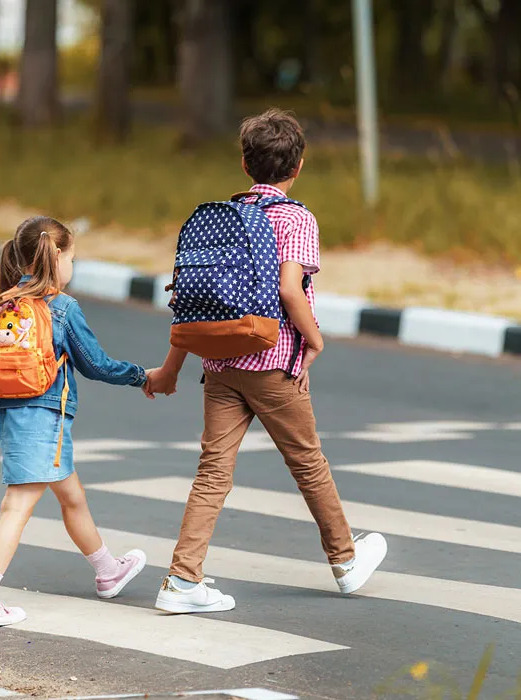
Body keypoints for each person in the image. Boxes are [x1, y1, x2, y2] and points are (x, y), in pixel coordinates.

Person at [146, 108, 387, 614]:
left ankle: (182, 580)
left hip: (220, 365)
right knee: (308, 463)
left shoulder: (219, 217)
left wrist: (172, 367)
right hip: (275, 364)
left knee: (212, 472)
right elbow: (289, 289)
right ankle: (345, 562)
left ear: (244, 163)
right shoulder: (296, 218)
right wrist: (314, 340)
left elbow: (194, 303)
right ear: (298, 166)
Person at [0, 216, 148, 626]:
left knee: (72, 496)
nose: (72, 266)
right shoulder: (61, 307)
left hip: (14, 417)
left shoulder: (1, 305)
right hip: (44, 417)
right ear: (58, 255)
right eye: (73, 257)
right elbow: (96, 364)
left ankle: (107, 570)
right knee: (16, 507)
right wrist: (142, 376)